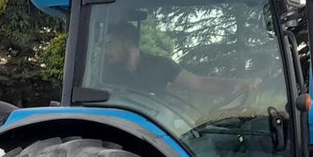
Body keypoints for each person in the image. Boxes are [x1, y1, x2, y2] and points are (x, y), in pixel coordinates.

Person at [101, 21, 252, 106]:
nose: (105, 51)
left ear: (128, 44)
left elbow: (199, 83)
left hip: (155, 128)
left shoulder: (161, 65)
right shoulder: (107, 73)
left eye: (110, 44)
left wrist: (237, 84)